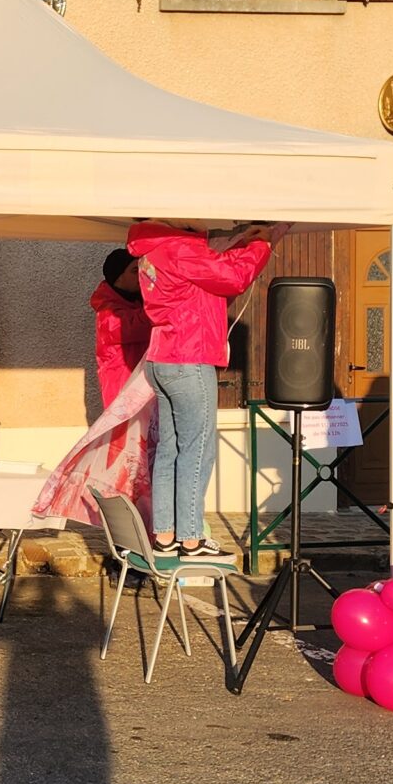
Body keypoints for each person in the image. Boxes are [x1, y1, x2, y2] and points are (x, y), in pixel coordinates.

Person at [128, 221, 277, 558]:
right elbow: (233, 277)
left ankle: (165, 535)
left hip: (162, 357)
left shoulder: (153, 249)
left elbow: (211, 276)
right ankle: (191, 538)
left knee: (169, 450)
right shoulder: (181, 248)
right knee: (197, 450)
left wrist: (240, 245)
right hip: (189, 355)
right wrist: (262, 245)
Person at [90, 247, 153, 411]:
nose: (141, 275)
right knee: (124, 427)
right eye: (134, 271)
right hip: (122, 387)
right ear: (118, 278)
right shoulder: (107, 311)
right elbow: (134, 327)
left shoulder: (137, 302)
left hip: (140, 384)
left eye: (142, 269)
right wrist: (160, 303)